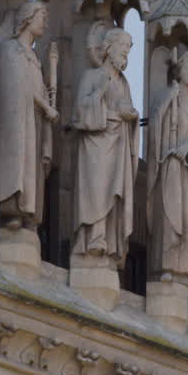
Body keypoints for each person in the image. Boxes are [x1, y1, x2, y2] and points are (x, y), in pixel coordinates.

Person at [72, 26, 139, 262]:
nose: (125, 54)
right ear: (109, 47)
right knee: (97, 189)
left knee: (114, 192)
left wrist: (130, 115)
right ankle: (92, 237)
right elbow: (79, 111)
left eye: (128, 51)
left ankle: (107, 238)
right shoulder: (92, 76)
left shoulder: (124, 83)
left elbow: (127, 109)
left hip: (118, 143)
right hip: (96, 143)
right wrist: (100, 97)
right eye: (123, 48)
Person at [147, 51, 188, 283]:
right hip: (171, 167)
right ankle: (167, 266)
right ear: (179, 70)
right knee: (170, 216)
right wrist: (167, 103)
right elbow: (155, 130)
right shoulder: (170, 98)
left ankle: (183, 269)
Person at [0, 1, 58, 229]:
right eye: (42, 16)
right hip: (18, 122)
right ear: (27, 19)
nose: (45, 22)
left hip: (34, 122)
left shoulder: (34, 57)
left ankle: (28, 211)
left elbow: (37, 89)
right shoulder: (11, 49)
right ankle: (12, 207)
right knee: (18, 165)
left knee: (31, 169)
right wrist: (46, 106)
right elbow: (19, 87)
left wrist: (47, 97)